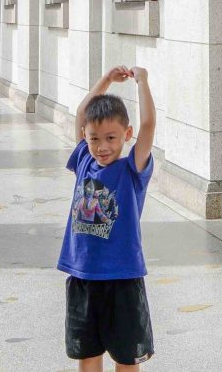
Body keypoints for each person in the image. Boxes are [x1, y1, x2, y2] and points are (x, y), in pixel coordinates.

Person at [58, 66, 156, 371]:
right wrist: (105, 81)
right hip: (84, 275)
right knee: (87, 353)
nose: (102, 146)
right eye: (94, 138)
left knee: (127, 357)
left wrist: (142, 81)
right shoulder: (84, 160)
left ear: (127, 135)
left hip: (122, 278)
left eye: (112, 138)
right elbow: (81, 114)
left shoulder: (132, 169)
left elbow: (149, 124)